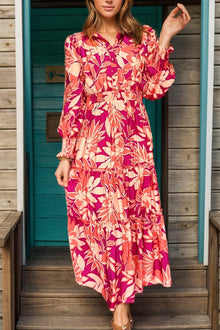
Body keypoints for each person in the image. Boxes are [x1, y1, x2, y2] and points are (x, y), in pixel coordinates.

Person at [55, 1, 191, 329]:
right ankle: (117, 298)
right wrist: (66, 155)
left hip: (133, 144)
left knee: (128, 220)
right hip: (93, 145)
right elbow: (73, 98)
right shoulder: (76, 42)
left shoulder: (142, 37)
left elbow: (152, 87)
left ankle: (121, 307)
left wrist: (166, 36)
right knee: (102, 223)